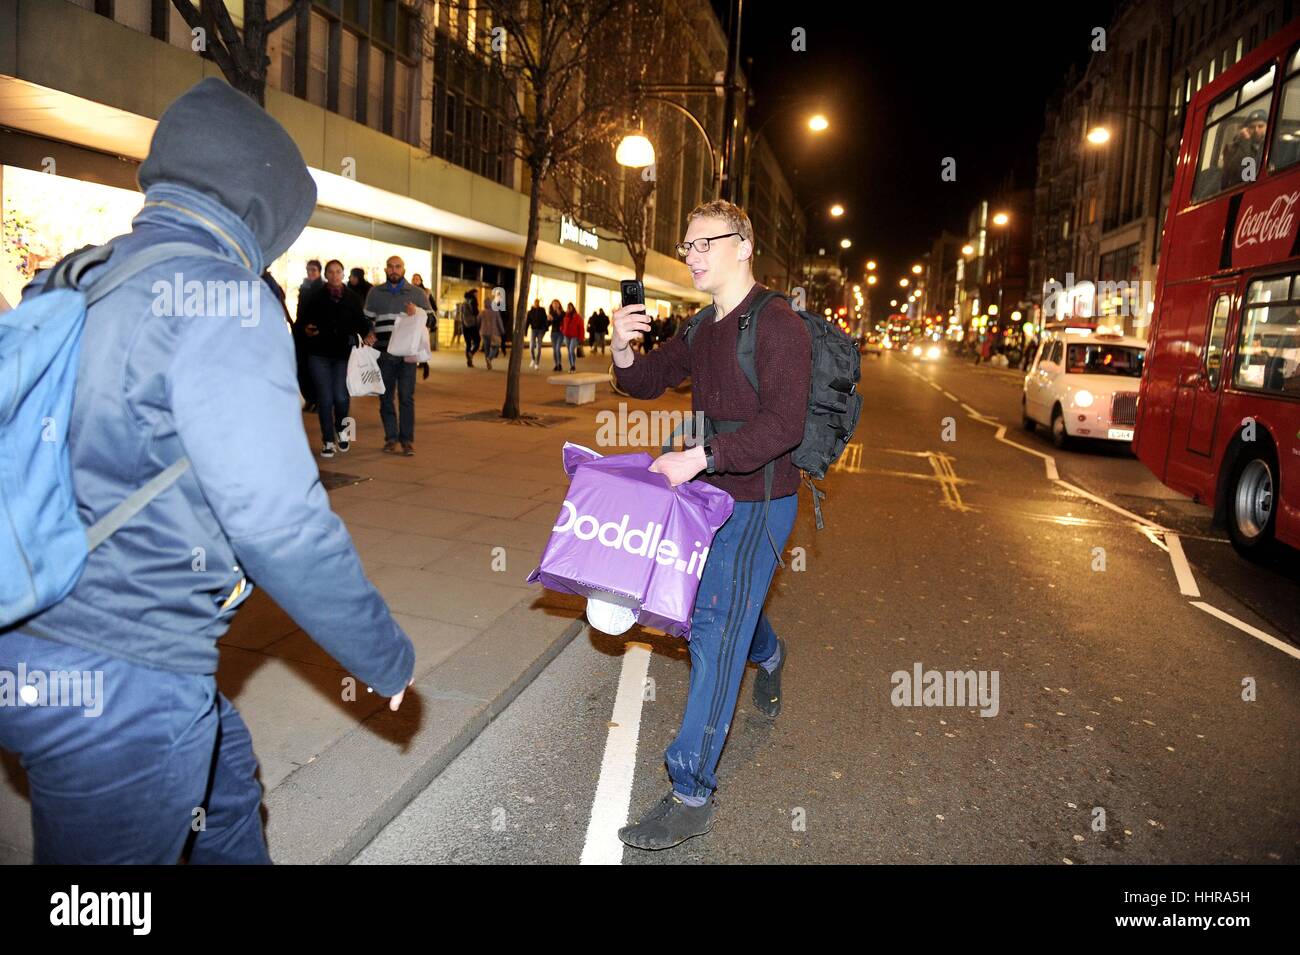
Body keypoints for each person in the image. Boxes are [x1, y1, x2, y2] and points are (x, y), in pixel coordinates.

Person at [0, 78, 415, 865]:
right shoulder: (226, 297)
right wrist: (382, 653)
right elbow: (277, 520)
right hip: (124, 674)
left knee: (222, 792)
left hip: (27, 634)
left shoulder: (85, 274)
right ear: (263, 202)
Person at [610, 198, 810, 851]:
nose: (691, 255)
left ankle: (691, 790)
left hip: (760, 497)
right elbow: (644, 380)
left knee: (714, 628)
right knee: (718, 609)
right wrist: (619, 345)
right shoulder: (701, 327)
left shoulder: (777, 324)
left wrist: (699, 456)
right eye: (687, 245)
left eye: (704, 243)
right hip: (709, 496)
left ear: (743, 245)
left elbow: (785, 425)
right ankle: (770, 651)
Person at [300, 259, 373, 456]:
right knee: (325, 398)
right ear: (326, 275)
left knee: (341, 397)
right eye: (330, 272)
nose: (334, 275)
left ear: (343, 274)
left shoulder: (352, 297)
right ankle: (328, 440)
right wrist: (306, 329)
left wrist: (368, 333)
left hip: (343, 354)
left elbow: (361, 321)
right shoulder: (315, 296)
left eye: (338, 272)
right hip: (319, 354)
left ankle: (343, 432)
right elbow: (302, 321)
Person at [363, 255, 430, 456]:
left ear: (404, 269)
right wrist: (368, 331)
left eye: (398, 267)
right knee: (385, 397)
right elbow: (365, 319)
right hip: (383, 354)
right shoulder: (375, 293)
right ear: (386, 270)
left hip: (407, 355)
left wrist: (416, 311)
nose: (394, 270)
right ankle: (391, 438)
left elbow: (432, 320)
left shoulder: (417, 293)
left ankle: (407, 440)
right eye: (391, 267)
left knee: (406, 398)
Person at [294, 259, 324, 412]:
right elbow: (300, 311)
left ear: (319, 271)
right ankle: (309, 398)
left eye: (313, 270)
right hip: (302, 333)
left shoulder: (323, 288)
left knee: (315, 369)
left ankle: (318, 399)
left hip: (317, 334)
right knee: (302, 368)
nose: (310, 273)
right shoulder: (304, 287)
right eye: (308, 269)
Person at [1221, 109, 1267, 190]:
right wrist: (1245, 141)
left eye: (1260, 126)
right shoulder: (1233, 148)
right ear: (1246, 129)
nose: (1256, 130)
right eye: (1252, 127)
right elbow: (1246, 175)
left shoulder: (1271, 146)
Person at [479, 293, 505, 370]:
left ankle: (487, 361)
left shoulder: (482, 312)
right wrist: (502, 330)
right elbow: (499, 322)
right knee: (496, 347)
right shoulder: (495, 312)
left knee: (486, 347)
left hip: (483, 332)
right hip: (493, 332)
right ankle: (489, 359)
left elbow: (478, 321)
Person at [458, 289, 482, 368]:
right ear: (472, 294)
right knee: (477, 341)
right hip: (471, 325)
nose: (477, 295)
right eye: (476, 294)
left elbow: (462, 315)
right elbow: (475, 312)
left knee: (468, 344)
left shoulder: (464, 302)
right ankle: (471, 353)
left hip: (464, 326)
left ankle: (469, 361)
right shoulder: (472, 301)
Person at [562, 301, 584, 372]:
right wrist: (562, 329)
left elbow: (581, 328)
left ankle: (573, 365)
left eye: (570, 307)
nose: (569, 309)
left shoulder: (577, 317)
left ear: (573, 308)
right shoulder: (565, 316)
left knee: (571, 350)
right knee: (569, 351)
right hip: (567, 336)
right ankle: (571, 365)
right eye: (568, 308)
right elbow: (562, 324)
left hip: (574, 336)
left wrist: (581, 338)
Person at [527, 298, 548, 369]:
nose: (537, 303)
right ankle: (533, 359)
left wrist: (545, 329)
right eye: (536, 302)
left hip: (540, 330)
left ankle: (537, 363)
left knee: (539, 347)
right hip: (533, 329)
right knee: (532, 346)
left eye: (538, 302)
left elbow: (545, 320)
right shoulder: (530, 311)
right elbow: (528, 321)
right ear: (534, 303)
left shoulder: (542, 310)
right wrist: (525, 331)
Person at [548, 298, 565, 372]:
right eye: (553, 303)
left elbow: (561, 320)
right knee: (555, 350)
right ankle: (556, 364)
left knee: (558, 348)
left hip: (560, 333)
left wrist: (553, 319)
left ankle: (559, 364)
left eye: (556, 303)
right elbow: (548, 324)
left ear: (559, 304)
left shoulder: (563, 313)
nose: (555, 305)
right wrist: (548, 320)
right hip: (553, 333)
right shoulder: (551, 313)